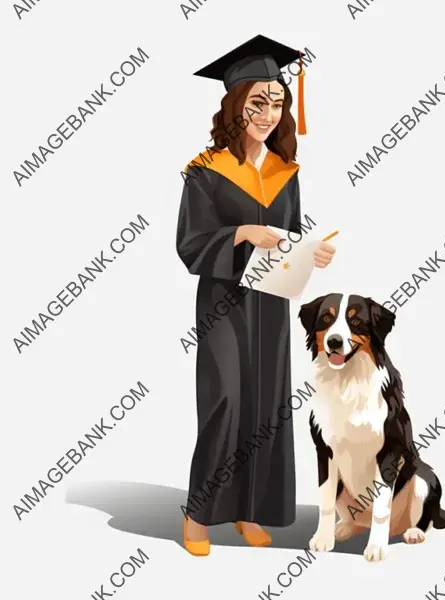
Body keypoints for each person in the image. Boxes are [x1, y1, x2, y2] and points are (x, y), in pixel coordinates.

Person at [176, 35, 336, 556]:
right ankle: (198, 517)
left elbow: (287, 238)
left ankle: (249, 511)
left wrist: (309, 253)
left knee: (266, 404)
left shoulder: (284, 173)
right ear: (234, 105)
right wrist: (243, 234)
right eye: (257, 103)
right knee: (225, 401)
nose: (269, 113)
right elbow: (192, 244)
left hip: (268, 302)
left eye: (278, 102)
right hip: (224, 303)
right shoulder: (204, 170)